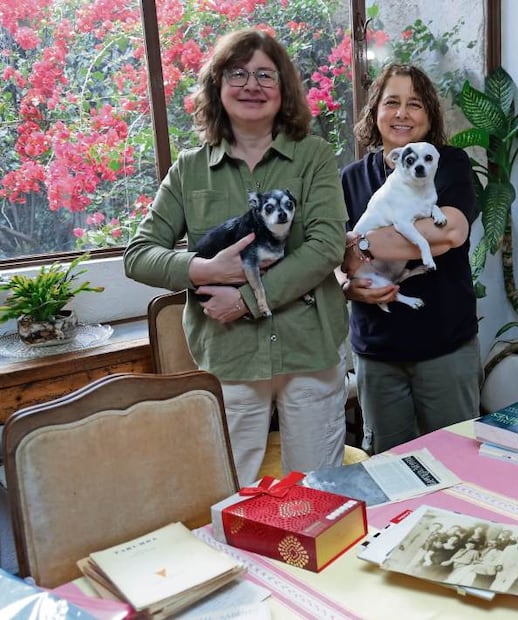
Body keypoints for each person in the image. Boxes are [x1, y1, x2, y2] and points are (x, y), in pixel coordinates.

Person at [124, 28, 349, 483]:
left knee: (318, 492)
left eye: (265, 74)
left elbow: (326, 246)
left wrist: (246, 299)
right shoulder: (189, 169)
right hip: (230, 356)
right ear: (217, 87)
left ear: (283, 89)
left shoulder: (314, 157)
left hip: (309, 348)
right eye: (238, 73)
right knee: (232, 492)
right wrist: (203, 268)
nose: (252, 85)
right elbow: (138, 255)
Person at [340, 63, 481, 453]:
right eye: (392, 103)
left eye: (414, 104)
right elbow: (332, 257)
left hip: (445, 346)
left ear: (429, 115)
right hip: (377, 352)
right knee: (389, 470)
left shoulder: (449, 164)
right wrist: (348, 286)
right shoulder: (351, 178)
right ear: (375, 113)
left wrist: (362, 245)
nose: (402, 113)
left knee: (459, 462)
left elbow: (451, 232)